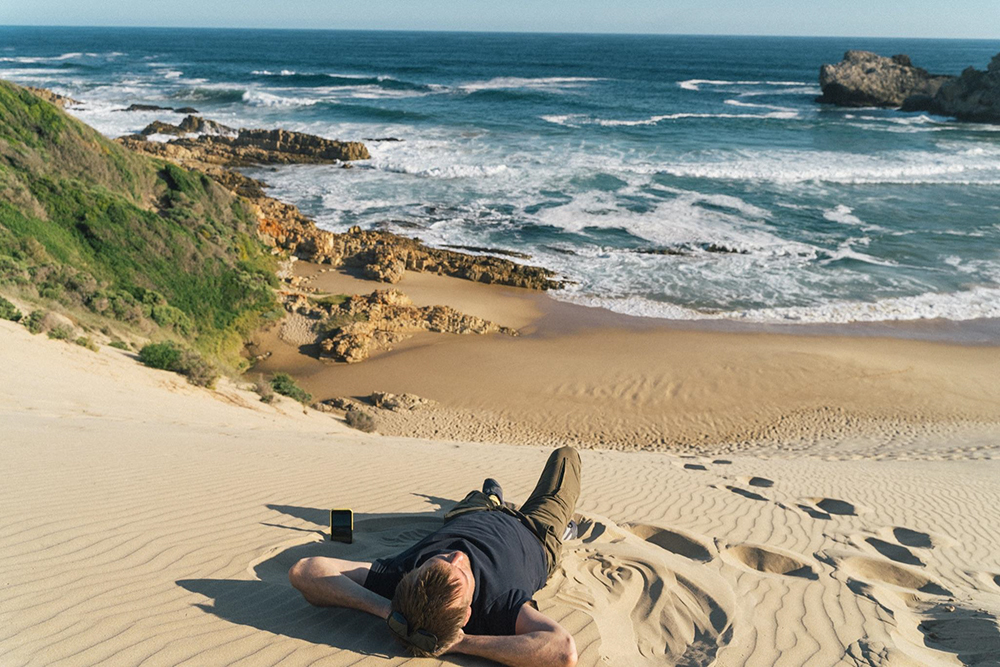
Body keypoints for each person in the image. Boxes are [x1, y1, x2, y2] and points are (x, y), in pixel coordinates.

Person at [289, 445, 582, 667]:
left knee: (478, 497)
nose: (456, 556)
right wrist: (463, 643)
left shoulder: (400, 578)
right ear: (467, 615)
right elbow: (563, 651)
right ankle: (556, 523)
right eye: (462, 573)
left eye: (438, 561)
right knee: (566, 455)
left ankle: (493, 498)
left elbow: (305, 571)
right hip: (535, 532)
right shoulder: (498, 607)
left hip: (474, 513)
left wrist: (388, 611)